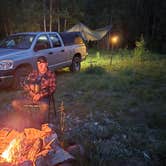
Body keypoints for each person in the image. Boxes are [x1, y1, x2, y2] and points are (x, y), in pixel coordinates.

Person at [12, 56, 56, 126]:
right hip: (30, 97)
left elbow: (52, 88)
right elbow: (25, 83)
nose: (40, 65)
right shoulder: (33, 73)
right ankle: (27, 118)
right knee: (15, 103)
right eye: (38, 64)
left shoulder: (51, 74)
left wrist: (40, 95)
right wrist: (30, 92)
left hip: (43, 98)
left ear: (46, 64)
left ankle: (38, 123)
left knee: (44, 106)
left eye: (42, 63)